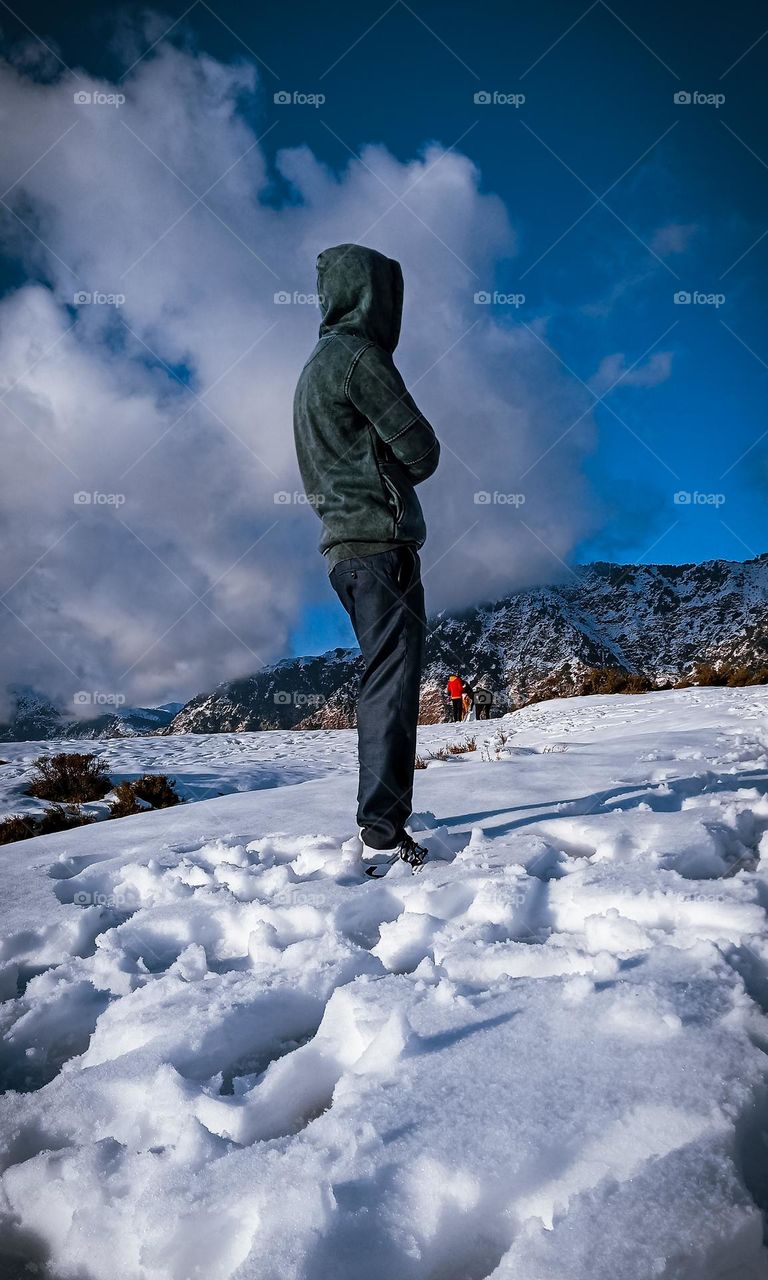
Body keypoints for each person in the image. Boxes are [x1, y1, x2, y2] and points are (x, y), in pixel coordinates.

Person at [293, 244, 440, 874]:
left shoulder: (312, 369)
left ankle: (383, 819)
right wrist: (391, 462)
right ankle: (381, 831)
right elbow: (422, 450)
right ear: (375, 297)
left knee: (382, 676)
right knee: (391, 684)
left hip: (343, 551)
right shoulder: (359, 358)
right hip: (382, 545)